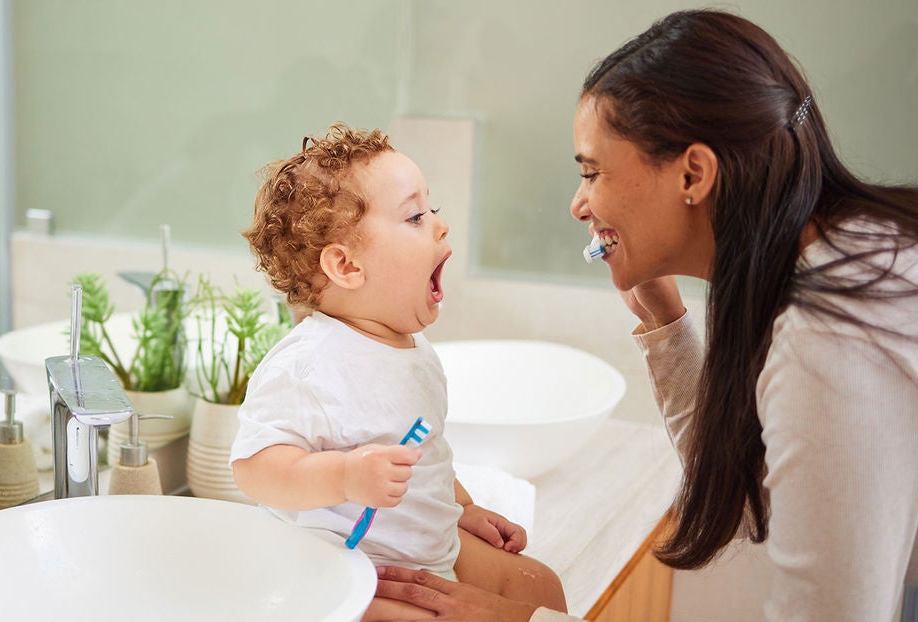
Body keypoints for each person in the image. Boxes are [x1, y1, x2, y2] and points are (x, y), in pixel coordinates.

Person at [375, 9, 918, 621]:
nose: (578, 204)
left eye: (592, 171)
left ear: (693, 173)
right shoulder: (824, 263)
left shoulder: (835, 334)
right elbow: (743, 503)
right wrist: (666, 325)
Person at [232, 123, 566, 620]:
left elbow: (424, 451)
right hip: (354, 571)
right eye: (414, 216)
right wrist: (343, 475)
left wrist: (466, 509)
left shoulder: (413, 351)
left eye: (433, 209)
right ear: (346, 267)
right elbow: (254, 469)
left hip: (427, 549)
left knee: (544, 589)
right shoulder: (308, 364)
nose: (440, 224)